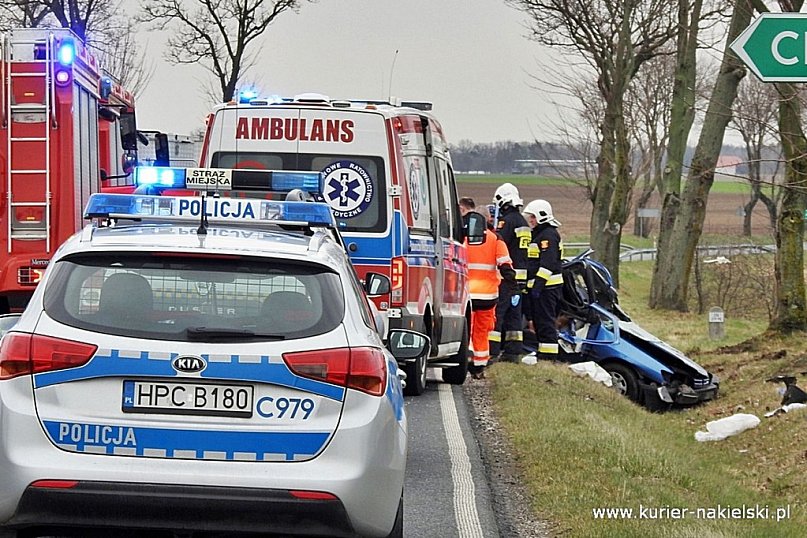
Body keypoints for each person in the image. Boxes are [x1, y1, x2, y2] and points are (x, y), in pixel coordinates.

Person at [459, 199, 516, 379]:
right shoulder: (495, 239)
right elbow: (505, 264)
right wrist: (513, 282)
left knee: (466, 328)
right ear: (488, 220)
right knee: (482, 331)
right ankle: (479, 366)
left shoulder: (463, 238)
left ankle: (465, 359)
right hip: (487, 296)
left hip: (465, 295)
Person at [489, 183, 530, 362]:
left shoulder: (507, 221)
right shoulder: (523, 222)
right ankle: (513, 353)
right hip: (520, 279)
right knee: (514, 316)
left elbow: (499, 242)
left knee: (498, 313)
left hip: (507, 276)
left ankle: (492, 350)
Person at [522, 199, 564, 360]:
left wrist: (538, 286)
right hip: (541, 288)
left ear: (541, 216)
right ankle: (543, 353)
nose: (530, 220)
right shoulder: (540, 234)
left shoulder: (548, 236)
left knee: (546, 323)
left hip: (548, 288)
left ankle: (549, 357)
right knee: (540, 323)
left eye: (533, 217)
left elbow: (548, 264)